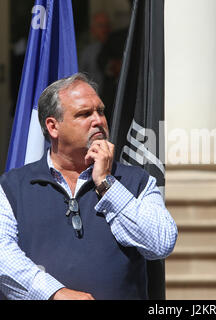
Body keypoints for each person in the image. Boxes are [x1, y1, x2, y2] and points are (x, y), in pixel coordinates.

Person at [0, 73, 178, 300]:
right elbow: (2, 255)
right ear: (53, 127)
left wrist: (106, 183)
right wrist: (55, 294)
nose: (98, 121)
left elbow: (160, 243)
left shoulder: (136, 182)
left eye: (101, 111)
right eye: (84, 114)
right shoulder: (12, 187)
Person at [79, 12, 111, 95]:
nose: (104, 29)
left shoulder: (119, 49)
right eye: (100, 26)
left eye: (107, 25)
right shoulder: (87, 52)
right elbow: (81, 78)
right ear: (93, 30)